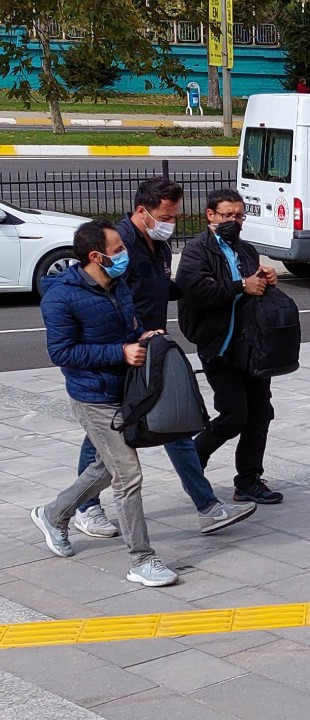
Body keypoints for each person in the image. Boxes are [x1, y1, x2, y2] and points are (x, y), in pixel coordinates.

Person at [67, 179, 256, 539]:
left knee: (175, 425)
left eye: (174, 214)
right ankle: (84, 507)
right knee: (104, 433)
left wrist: (198, 284)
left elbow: (160, 288)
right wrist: (129, 340)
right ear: (142, 212)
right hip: (125, 351)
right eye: (165, 215)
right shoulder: (119, 245)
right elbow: (111, 298)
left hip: (149, 346)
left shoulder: (159, 245)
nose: (171, 222)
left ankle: (208, 507)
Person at [31, 220, 178, 587]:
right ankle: (142, 560)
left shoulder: (117, 283)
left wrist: (140, 335)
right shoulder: (62, 296)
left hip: (123, 390)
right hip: (92, 396)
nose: (124, 255)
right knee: (128, 474)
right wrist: (121, 351)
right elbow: (61, 351)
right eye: (117, 250)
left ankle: (53, 514)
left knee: (106, 468)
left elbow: (125, 326)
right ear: (95, 256)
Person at [175, 190, 284, 505]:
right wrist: (240, 286)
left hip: (252, 346)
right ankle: (192, 461)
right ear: (210, 215)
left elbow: (254, 286)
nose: (233, 221)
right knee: (235, 414)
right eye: (227, 215)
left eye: (239, 216)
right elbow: (194, 291)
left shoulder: (245, 250)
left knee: (260, 413)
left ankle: (249, 480)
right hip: (219, 346)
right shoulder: (198, 250)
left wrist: (266, 278)